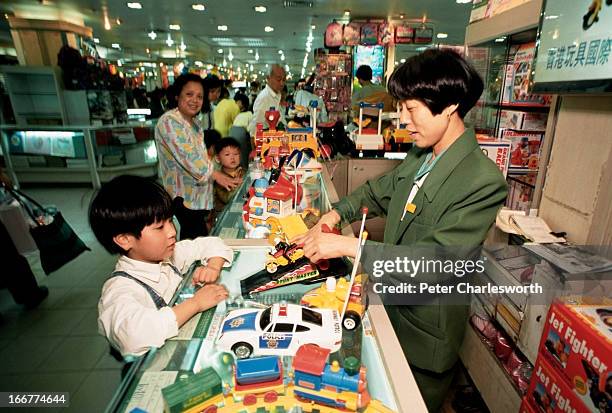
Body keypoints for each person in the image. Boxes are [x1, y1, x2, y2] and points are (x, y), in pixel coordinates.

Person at [295, 49, 508, 411]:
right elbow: (375, 192)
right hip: (386, 310)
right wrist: (334, 214)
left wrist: (349, 246)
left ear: (451, 104)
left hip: (422, 335)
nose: (402, 119)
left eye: (411, 109)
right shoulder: (421, 154)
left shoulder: (482, 182)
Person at [89, 175, 232, 357]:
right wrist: (195, 303)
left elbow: (212, 244)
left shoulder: (165, 256)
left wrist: (213, 266)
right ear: (124, 239)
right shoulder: (119, 290)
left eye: (170, 221)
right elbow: (133, 337)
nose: (172, 232)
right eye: (159, 227)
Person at [155, 73, 241, 240]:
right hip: (183, 197)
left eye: (200, 96)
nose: (195, 100)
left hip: (198, 196)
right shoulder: (169, 121)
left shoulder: (194, 123)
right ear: (177, 95)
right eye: (189, 94)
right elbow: (189, 157)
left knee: (200, 239)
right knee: (193, 241)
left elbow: (202, 157)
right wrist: (217, 175)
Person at [248, 64, 287, 137]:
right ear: (268, 78)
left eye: (284, 80)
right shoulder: (264, 98)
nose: (282, 83)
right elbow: (254, 129)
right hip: (266, 140)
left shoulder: (277, 95)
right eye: (278, 79)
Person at [213, 138, 245, 215]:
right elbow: (228, 199)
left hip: (241, 208)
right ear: (218, 158)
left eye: (236, 154)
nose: (232, 158)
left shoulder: (243, 171)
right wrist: (239, 184)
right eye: (227, 154)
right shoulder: (219, 179)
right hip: (225, 214)